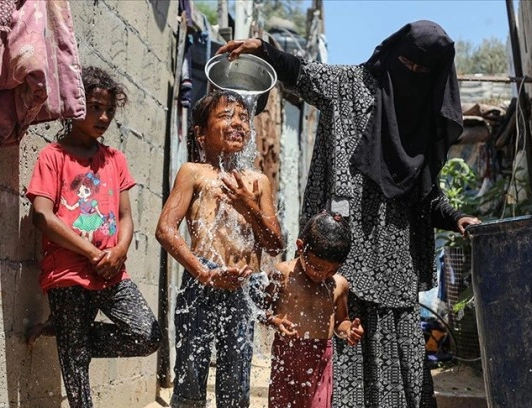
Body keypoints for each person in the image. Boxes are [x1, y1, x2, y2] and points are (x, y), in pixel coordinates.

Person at [217, 20, 481, 407]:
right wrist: (264, 50)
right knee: (341, 349)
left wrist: (456, 217)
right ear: (393, 53)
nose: (411, 76)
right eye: (406, 63)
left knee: (395, 363)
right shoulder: (350, 85)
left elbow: (426, 194)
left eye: (422, 72)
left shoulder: (424, 121)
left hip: (395, 267)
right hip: (341, 257)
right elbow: (302, 74)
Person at [26, 66, 161, 408]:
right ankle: (72, 340)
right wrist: (90, 252)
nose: (103, 116)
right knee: (77, 370)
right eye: (95, 107)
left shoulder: (114, 160)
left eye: (110, 110)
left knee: (147, 334)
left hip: (111, 270)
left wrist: (119, 251)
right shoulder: (53, 157)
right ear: (75, 105)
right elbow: (41, 215)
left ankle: (70, 336)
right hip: (68, 273)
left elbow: (127, 216)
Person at [154, 89, 284, 407]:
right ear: (200, 133)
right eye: (226, 116)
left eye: (242, 117)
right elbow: (165, 230)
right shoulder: (193, 173)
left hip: (244, 281)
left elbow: (275, 244)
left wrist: (249, 206)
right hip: (202, 276)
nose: (237, 122)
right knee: (190, 371)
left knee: (236, 373)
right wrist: (203, 272)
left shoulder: (258, 182)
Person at [262, 210, 364, 408]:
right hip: (287, 357)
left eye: (332, 270)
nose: (323, 275)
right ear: (300, 247)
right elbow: (259, 311)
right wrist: (275, 321)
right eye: (317, 267)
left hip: (320, 362)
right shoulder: (282, 274)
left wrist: (349, 330)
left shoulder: (339, 285)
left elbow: (341, 321)